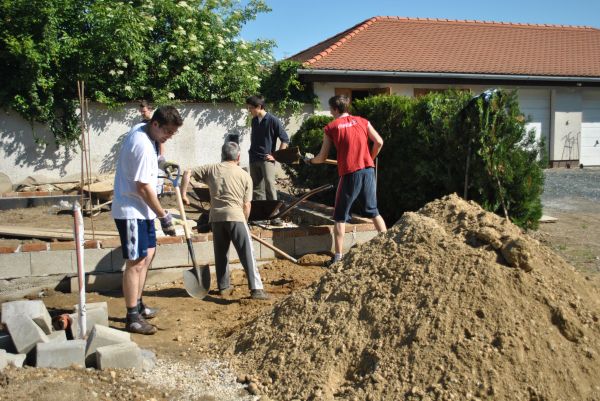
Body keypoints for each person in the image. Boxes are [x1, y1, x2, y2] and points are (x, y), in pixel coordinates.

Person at [112, 106, 183, 334]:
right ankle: (132, 316)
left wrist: (161, 162)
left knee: (149, 253)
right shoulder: (142, 145)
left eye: (173, 133)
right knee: (136, 262)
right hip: (132, 209)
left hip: (143, 211)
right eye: (167, 132)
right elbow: (142, 187)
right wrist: (164, 215)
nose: (169, 137)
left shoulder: (144, 130)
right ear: (155, 125)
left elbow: (149, 129)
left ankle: (139, 304)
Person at [306, 95, 387, 266]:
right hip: (368, 171)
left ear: (335, 109)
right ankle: (388, 246)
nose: (330, 112)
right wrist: (369, 160)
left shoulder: (331, 127)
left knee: (339, 216)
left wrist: (310, 161)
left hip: (350, 174)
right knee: (373, 211)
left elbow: (322, 157)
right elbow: (379, 142)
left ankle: (338, 257)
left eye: (330, 109)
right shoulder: (362, 121)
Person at [181, 142, 269, 300]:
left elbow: (187, 172)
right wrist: (244, 221)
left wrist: (183, 195)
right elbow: (247, 205)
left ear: (222, 155)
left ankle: (223, 287)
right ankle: (256, 290)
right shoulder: (244, 175)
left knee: (221, 254)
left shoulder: (212, 169)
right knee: (247, 254)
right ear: (239, 157)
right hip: (236, 217)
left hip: (216, 219)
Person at [246, 95, 289, 225]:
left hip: (266, 159)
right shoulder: (254, 120)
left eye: (250, 108)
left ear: (259, 107)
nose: (249, 110)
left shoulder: (273, 120)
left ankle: (274, 216)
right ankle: (260, 216)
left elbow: (285, 139)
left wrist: (275, 155)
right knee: (257, 188)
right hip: (254, 158)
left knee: (270, 187)